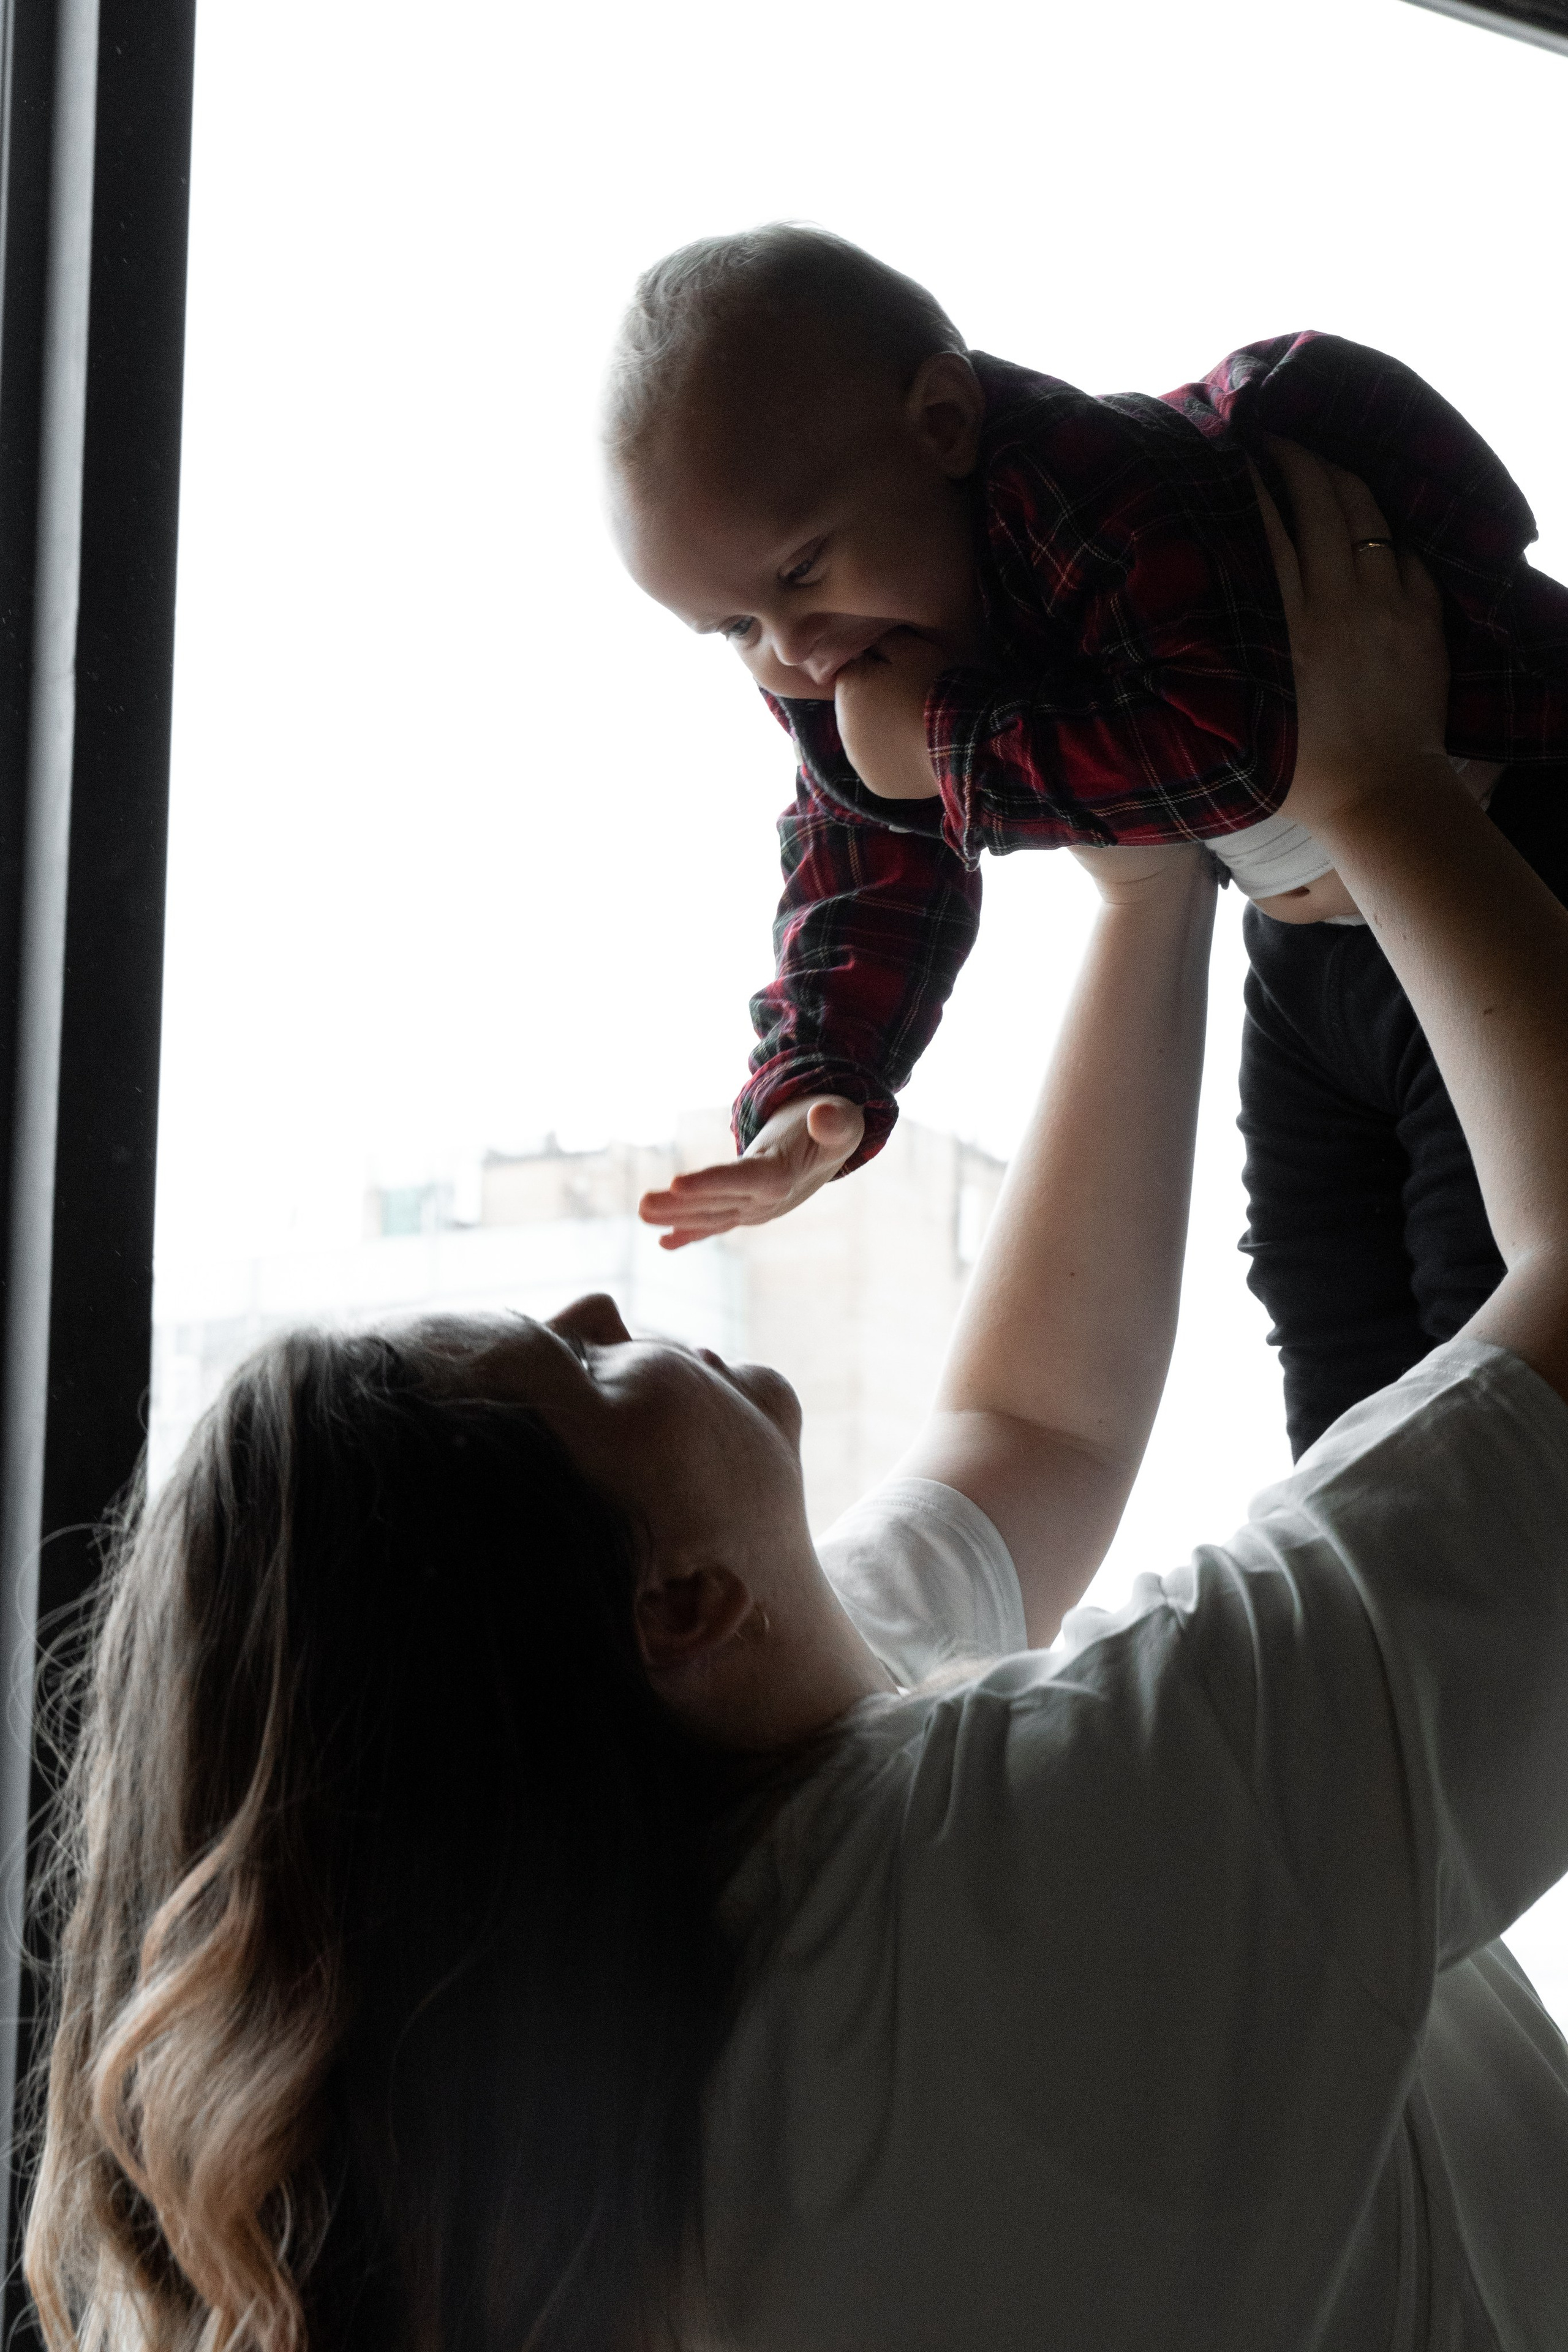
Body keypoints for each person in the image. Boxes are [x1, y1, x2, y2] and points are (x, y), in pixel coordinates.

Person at [24, 450, 1568, 2348]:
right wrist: (1382, 785)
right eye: (573, 1363)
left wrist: (1142, 897)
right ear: (671, 1609)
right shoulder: (1051, 1854)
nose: (607, 1292)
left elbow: (1035, 1440)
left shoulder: (721, 1884)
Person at [609, 223, 1568, 1456]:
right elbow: (857, 845)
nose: (792, 650)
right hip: (1305, 956)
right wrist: (821, 1076)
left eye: (801, 569)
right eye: (732, 626)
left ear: (943, 422)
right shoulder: (848, 636)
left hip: (1511, 851)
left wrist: (943, 745)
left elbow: (1229, 739)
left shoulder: (1101, 487)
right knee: (1327, 1343)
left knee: (1487, 1355)